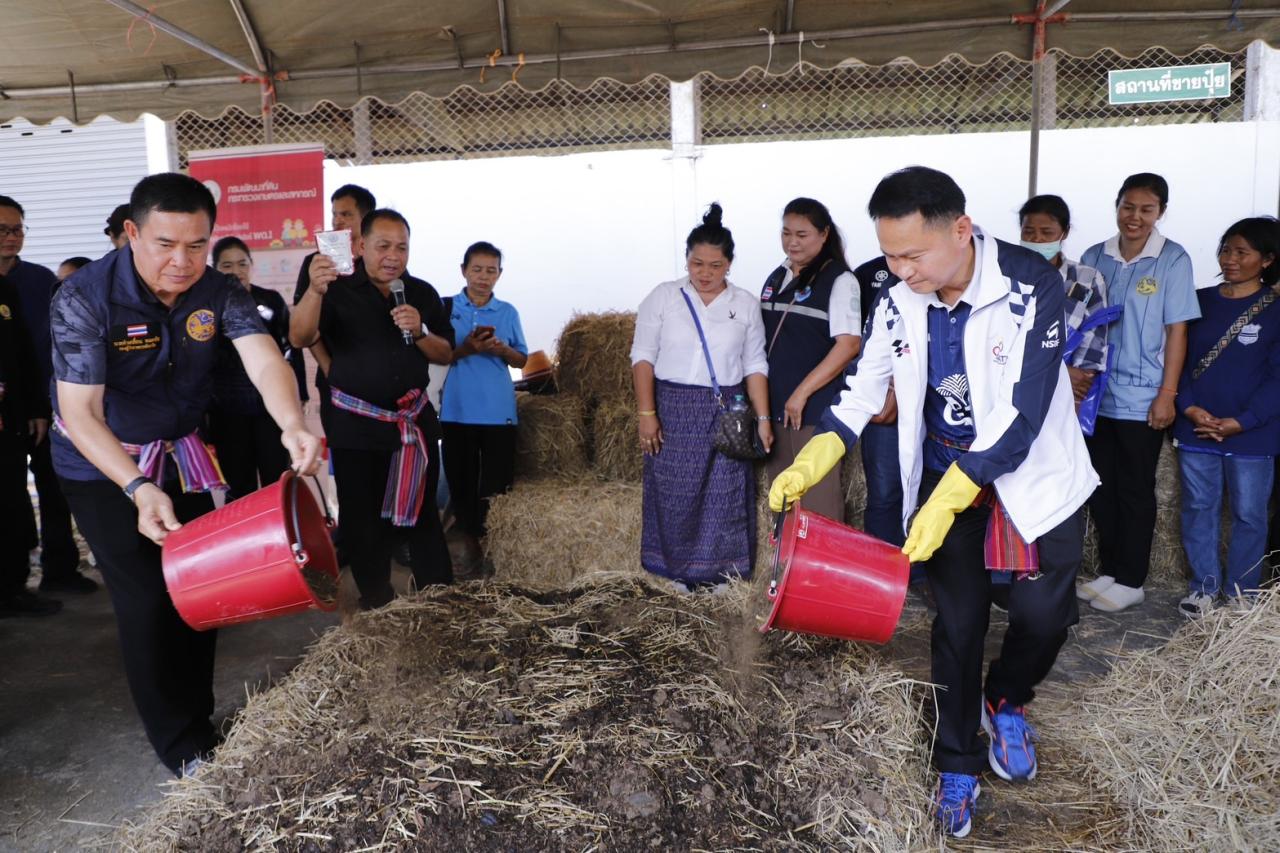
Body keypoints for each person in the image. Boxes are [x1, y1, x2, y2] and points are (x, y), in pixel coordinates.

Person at [770, 167, 1097, 839]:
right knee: (955, 623)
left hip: (1032, 476)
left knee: (1044, 615)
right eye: (888, 254)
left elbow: (1025, 413)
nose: (898, 269)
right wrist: (820, 450)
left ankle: (1006, 696)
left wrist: (951, 496)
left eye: (911, 254)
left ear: (960, 229)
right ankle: (958, 760)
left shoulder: (1031, 285)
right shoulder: (897, 296)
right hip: (950, 476)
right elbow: (866, 388)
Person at [50, 173, 322, 777]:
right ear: (131, 233)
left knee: (203, 586)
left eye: (196, 245)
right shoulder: (86, 297)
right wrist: (137, 488)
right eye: (166, 244)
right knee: (147, 599)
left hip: (182, 454)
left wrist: (291, 423)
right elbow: (80, 411)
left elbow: (264, 357)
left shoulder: (219, 290)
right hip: (103, 465)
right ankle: (180, 749)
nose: (182, 261)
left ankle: (200, 723)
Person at [290, 208, 455, 609]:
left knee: (423, 512)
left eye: (401, 247)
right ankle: (377, 599)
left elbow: (446, 352)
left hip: (413, 424)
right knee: (363, 519)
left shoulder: (421, 293)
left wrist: (419, 331)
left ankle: (439, 598)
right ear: (360, 246)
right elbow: (299, 336)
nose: (393, 256)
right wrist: (314, 291)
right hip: (357, 427)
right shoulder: (336, 288)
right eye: (383, 246)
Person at [631, 203, 772, 591]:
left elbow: (754, 363)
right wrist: (647, 412)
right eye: (697, 264)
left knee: (724, 493)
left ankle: (720, 577)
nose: (705, 274)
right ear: (686, 260)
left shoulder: (744, 303)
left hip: (728, 408)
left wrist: (763, 419)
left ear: (729, 264)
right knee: (675, 491)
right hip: (673, 407)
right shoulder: (663, 296)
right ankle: (677, 575)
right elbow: (642, 356)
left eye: (715, 265)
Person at [1077, 173, 1199, 613]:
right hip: (1096, 395)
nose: (1135, 217)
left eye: (1146, 209)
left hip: (1142, 396)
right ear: (1117, 206)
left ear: (1160, 212)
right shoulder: (1095, 256)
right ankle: (1110, 571)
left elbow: (1177, 330)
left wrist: (1167, 393)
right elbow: (1077, 321)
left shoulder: (1172, 260)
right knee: (1100, 486)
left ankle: (1132, 579)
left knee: (1134, 487)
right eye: (1128, 207)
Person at [1173, 217, 1280, 616]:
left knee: (1250, 514)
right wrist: (1189, 407)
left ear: (1267, 259)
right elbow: (1177, 360)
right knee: (1198, 507)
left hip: (1254, 434)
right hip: (1196, 425)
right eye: (1226, 249)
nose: (1229, 259)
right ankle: (1202, 588)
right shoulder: (1197, 301)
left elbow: (1277, 377)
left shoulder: (1275, 309)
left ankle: (1242, 593)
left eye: (1242, 252)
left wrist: (1245, 421)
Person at [0, 195, 95, 596]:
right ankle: (13, 580)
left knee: (55, 487)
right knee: (9, 495)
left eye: (18, 229)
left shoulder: (41, 282)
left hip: (46, 405)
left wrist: (46, 404)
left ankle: (59, 569)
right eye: (3, 230)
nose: (12, 237)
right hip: (8, 409)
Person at [760, 198, 861, 521]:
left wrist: (802, 393)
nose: (792, 241)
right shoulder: (777, 277)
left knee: (818, 502)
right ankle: (788, 571)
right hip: (777, 407)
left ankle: (823, 572)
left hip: (812, 409)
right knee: (782, 498)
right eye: (786, 233)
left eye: (802, 234)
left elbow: (849, 345)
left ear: (824, 234)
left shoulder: (840, 281)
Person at [440, 241, 528, 572]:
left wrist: (501, 350)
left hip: (498, 410)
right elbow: (437, 354)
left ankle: (496, 550)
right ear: (463, 270)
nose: (483, 276)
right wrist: (468, 348)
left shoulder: (508, 312)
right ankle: (470, 548)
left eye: (491, 270)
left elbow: (521, 358)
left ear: (500, 275)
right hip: (456, 410)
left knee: (497, 484)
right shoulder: (446, 308)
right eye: (477, 269)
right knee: (461, 483)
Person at [208, 236, 309, 500]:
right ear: (215, 269)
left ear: (251, 265)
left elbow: (290, 349)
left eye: (242, 264)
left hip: (269, 407)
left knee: (277, 479)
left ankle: (281, 534)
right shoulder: (205, 308)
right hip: (226, 410)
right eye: (227, 266)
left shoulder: (271, 300)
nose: (236, 271)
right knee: (238, 485)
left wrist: (300, 395)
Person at [0, 270, 61, 617]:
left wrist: (37, 409)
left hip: (9, 421)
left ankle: (13, 587)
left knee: (11, 500)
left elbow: (23, 354)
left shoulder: (5, 288)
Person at [1018, 195, 1111, 403]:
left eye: (1047, 233)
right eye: (1029, 232)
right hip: (1014, 388)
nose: (1037, 239)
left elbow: (1094, 337)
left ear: (1065, 232)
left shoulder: (1086, 279)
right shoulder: (1004, 275)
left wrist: (1078, 379)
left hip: (1068, 393)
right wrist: (1057, 374)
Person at [851, 257, 904, 548]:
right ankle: (882, 576)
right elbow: (860, 344)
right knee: (884, 492)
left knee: (936, 492)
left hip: (940, 404)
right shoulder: (868, 274)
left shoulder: (949, 271)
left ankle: (926, 577)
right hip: (887, 399)